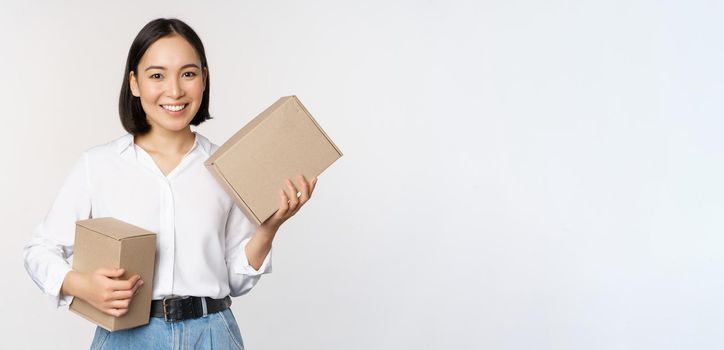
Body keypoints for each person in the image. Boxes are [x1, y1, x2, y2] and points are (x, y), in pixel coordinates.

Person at [22, 18, 316, 349]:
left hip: (212, 334)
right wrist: (78, 283)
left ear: (204, 79)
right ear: (134, 82)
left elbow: (236, 281)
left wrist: (268, 228)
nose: (174, 91)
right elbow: (40, 250)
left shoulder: (227, 168)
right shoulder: (98, 165)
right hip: (127, 338)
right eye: (157, 75)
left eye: (188, 74)